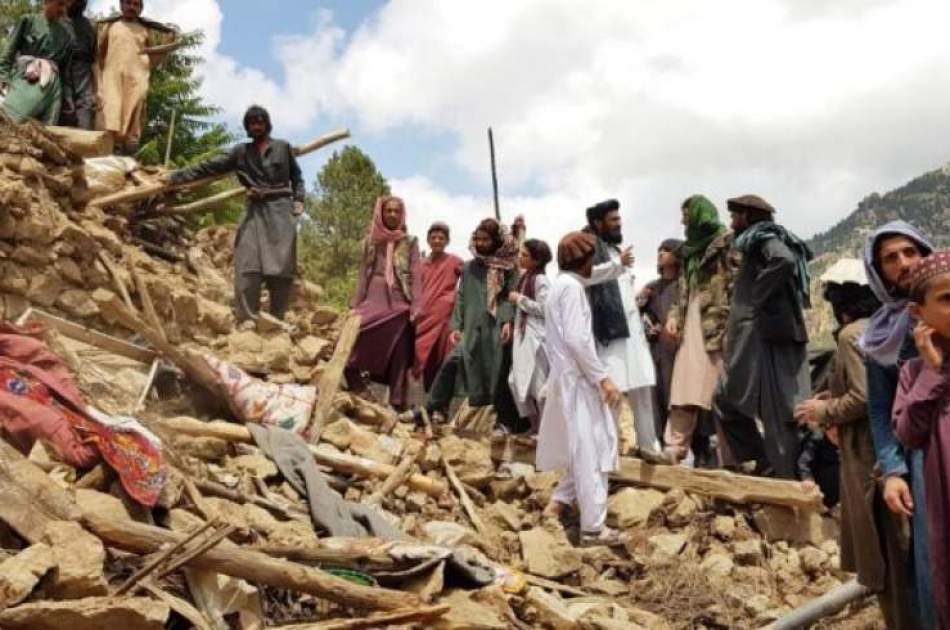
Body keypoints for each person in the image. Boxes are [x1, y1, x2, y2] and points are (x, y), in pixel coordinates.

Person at [795, 259, 915, 628]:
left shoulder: (852, 336)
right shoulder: (887, 330)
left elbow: (864, 397)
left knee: (885, 559)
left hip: (867, 456)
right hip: (886, 451)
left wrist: (824, 410)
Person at [862, 221, 937, 629]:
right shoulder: (880, 335)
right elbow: (879, 408)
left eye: (910, 252)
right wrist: (893, 470)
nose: (904, 263)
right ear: (878, 272)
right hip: (924, 454)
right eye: (890, 258)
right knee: (933, 559)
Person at [169, 105, 305, 323]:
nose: (257, 126)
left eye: (260, 122)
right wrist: (177, 176)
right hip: (255, 209)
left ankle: (276, 320)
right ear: (247, 128)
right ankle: (247, 319)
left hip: (281, 208)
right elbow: (210, 167)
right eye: (252, 123)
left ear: (267, 124)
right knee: (247, 263)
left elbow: (297, 178)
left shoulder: (283, 147)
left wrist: (299, 200)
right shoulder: (241, 152)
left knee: (281, 268)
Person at [716, 194, 812, 479]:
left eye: (735, 217)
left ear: (746, 217)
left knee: (778, 417)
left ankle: (786, 482)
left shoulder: (762, 237)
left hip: (765, 344)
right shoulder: (756, 241)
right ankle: (763, 462)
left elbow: (782, 260)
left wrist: (755, 296)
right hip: (758, 342)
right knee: (724, 399)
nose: (732, 223)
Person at [539, 231, 624, 546]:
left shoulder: (559, 286)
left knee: (582, 448)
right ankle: (594, 527)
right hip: (578, 381)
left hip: (567, 380)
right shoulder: (572, 289)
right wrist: (602, 377)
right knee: (592, 451)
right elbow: (577, 338)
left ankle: (558, 504)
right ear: (585, 261)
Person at [894, 250, 950, 629]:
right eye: (946, 300)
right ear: (919, 314)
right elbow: (909, 434)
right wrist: (933, 372)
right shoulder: (914, 373)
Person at [663, 195, 740, 464]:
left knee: (723, 395)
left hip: (719, 327)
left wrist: (734, 325)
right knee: (684, 387)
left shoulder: (727, 244)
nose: (683, 221)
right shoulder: (688, 253)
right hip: (692, 324)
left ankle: (732, 457)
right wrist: (674, 316)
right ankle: (675, 448)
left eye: (687, 215)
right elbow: (682, 293)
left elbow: (737, 285)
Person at [583, 199, 660, 455]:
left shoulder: (615, 251)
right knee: (612, 392)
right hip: (609, 334)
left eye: (619, 219)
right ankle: (610, 450)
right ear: (598, 223)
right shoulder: (588, 246)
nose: (619, 224)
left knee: (642, 387)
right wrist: (617, 266)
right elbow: (584, 276)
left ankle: (649, 447)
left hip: (632, 334)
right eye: (613, 220)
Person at [442, 218, 521, 431]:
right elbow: (461, 297)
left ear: (495, 241)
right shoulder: (469, 268)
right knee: (456, 361)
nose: (480, 243)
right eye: (478, 238)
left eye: (486, 239)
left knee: (498, 372)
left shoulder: (509, 267)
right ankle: (436, 408)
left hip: (497, 328)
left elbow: (511, 295)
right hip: (472, 326)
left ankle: (504, 423)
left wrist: (507, 321)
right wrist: (456, 326)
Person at [345, 196, 421, 412]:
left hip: (400, 300)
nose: (392, 215)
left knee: (400, 348)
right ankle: (355, 382)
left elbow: (415, 275)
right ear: (381, 212)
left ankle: (396, 402)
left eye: (397, 211)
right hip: (374, 295)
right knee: (357, 334)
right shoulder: (371, 240)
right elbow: (363, 273)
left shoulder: (410, 242)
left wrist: (416, 307)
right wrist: (356, 304)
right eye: (388, 211)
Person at [95, 0, 179, 153]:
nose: (131, 7)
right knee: (110, 113)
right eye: (128, 3)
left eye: (136, 5)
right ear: (121, 5)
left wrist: (167, 47)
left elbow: (152, 59)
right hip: (112, 78)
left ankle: (127, 151)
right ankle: (108, 149)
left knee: (134, 111)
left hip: (136, 79)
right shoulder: (110, 25)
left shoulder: (145, 30)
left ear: (140, 9)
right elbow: (100, 53)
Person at [0, 0, 72, 125]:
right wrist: (2, 77)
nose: (63, 10)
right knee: (9, 123)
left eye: (66, 6)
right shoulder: (28, 21)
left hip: (53, 90)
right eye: (60, 4)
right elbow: (8, 52)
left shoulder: (66, 35)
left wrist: (67, 96)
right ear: (47, 1)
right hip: (29, 79)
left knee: (46, 136)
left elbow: (65, 70)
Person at [638, 238, 683, 440]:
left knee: (678, 396)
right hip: (657, 349)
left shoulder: (685, 285)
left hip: (680, 348)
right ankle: (658, 442)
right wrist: (649, 327)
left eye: (667, 250)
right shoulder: (652, 288)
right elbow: (639, 315)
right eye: (659, 249)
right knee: (657, 395)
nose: (661, 253)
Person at [507, 238, 552, 433]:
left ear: (536, 260)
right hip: (522, 336)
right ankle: (534, 426)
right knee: (515, 381)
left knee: (538, 386)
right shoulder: (524, 278)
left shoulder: (541, 280)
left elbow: (544, 309)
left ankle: (544, 431)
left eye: (525, 255)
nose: (520, 258)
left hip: (536, 337)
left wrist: (520, 299)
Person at [413, 222, 463, 391]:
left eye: (441, 238)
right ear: (428, 240)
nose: (437, 241)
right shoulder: (420, 264)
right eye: (433, 237)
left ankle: (437, 404)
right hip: (423, 316)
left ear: (447, 241)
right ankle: (419, 401)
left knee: (441, 357)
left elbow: (472, 276)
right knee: (419, 355)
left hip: (444, 317)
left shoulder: (454, 261)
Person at [61, 0, 96, 129]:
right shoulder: (57, 20)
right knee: (65, 107)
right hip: (62, 69)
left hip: (83, 70)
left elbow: (94, 58)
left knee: (85, 106)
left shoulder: (88, 25)